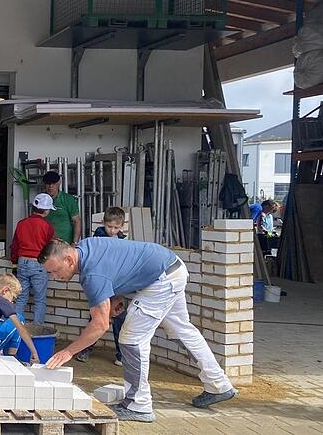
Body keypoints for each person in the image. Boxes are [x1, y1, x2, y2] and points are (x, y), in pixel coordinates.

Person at [39, 237, 236, 423]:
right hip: (171, 267)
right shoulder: (85, 247)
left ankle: (138, 405)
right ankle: (218, 384)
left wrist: (68, 351)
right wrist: (115, 298)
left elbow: (99, 325)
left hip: (160, 281)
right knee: (182, 331)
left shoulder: (92, 275)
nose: (54, 277)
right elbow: (117, 267)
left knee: (131, 339)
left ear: (68, 259)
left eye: (55, 271)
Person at [75, 206, 128, 364]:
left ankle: (121, 354)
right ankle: (85, 349)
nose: (112, 230)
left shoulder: (122, 239)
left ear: (121, 226)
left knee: (119, 318)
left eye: (115, 227)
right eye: (109, 226)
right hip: (100, 284)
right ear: (103, 223)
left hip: (117, 284)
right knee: (97, 318)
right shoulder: (98, 236)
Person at [10, 193, 56, 325]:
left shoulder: (21, 224)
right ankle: (37, 331)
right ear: (46, 210)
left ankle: (16, 329)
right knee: (40, 300)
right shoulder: (47, 227)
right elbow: (50, 247)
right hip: (39, 263)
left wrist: (14, 263)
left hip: (22, 262)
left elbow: (15, 246)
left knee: (21, 297)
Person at [43, 171, 81, 243]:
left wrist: (75, 243)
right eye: (48, 183)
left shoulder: (68, 199)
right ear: (44, 184)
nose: (51, 186)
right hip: (45, 244)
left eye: (53, 183)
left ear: (59, 183)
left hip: (65, 243)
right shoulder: (40, 199)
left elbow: (77, 221)